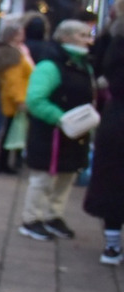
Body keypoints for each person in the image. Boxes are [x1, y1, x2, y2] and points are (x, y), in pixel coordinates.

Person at [18, 19, 96, 241]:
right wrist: (61, 119)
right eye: (82, 35)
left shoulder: (83, 65)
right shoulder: (50, 65)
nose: (88, 40)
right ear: (65, 37)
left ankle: (54, 215)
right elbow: (35, 99)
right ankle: (31, 218)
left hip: (76, 131)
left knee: (67, 176)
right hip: (51, 132)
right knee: (43, 178)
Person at [83, 6, 124, 264]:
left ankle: (112, 245)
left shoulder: (112, 41)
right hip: (117, 115)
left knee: (113, 179)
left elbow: (100, 69)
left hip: (116, 118)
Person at [0, 17, 33, 174]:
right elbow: (14, 80)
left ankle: (4, 162)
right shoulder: (12, 55)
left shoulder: (11, 51)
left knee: (8, 129)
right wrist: (20, 99)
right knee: (10, 130)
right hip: (15, 97)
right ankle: (4, 163)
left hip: (11, 95)